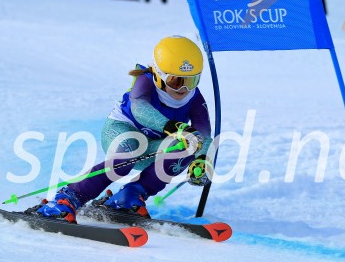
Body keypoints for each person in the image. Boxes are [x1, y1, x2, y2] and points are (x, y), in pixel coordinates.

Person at [34, 36, 214, 221]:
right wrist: (173, 126)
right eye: (175, 81)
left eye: (191, 81)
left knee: (188, 145)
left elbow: (204, 135)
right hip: (121, 130)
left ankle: (130, 196)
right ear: (159, 75)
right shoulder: (145, 81)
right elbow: (140, 110)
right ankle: (67, 198)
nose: (183, 88)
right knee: (127, 155)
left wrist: (202, 161)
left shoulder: (195, 99)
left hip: (152, 146)